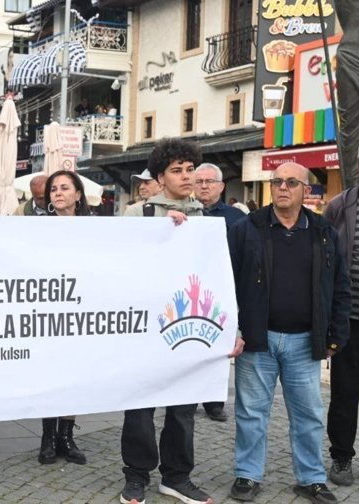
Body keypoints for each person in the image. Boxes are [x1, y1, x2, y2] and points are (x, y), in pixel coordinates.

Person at [227, 162, 350, 503]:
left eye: (291, 182)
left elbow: (340, 285)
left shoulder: (324, 230)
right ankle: (247, 475)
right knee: (251, 412)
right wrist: (233, 329)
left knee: (308, 413)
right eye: (276, 181)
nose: (282, 187)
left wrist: (336, 334)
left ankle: (310, 478)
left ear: (305, 190)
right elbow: (227, 280)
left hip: (305, 341)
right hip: (257, 338)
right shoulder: (247, 227)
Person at [119, 138, 218, 504]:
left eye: (190, 169)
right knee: (141, 406)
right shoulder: (139, 214)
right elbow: (124, 265)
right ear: (160, 177)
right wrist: (163, 233)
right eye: (176, 170)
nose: (186, 176)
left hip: (188, 324)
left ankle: (177, 476)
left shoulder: (207, 217)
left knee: (183, 408)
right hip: (146, 327)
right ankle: (136, 474)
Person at [35, 170, 88, 466]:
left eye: (65, 188)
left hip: (82, 312)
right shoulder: (39, 229)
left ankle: (66, 436)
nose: (58, 193)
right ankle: (47, 437)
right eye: (53, 188)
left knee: (75, 375)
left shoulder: (94, 229)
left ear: (78, 194)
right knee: (50, 373)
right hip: (49, 311)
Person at [192, 162, 245, 423]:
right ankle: (187, 397)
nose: (203, 186)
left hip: (223, 291)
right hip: (190, 290)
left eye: (209, 182)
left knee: (218, 346)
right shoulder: (183, 213)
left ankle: (214, 401)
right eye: (199, 181)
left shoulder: (237, 219)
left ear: (221, 186)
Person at [323, 144, 359, 487]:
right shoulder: (340, 206)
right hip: (349, 322)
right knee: (345, 393)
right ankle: (341, 457)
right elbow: (323, 261)